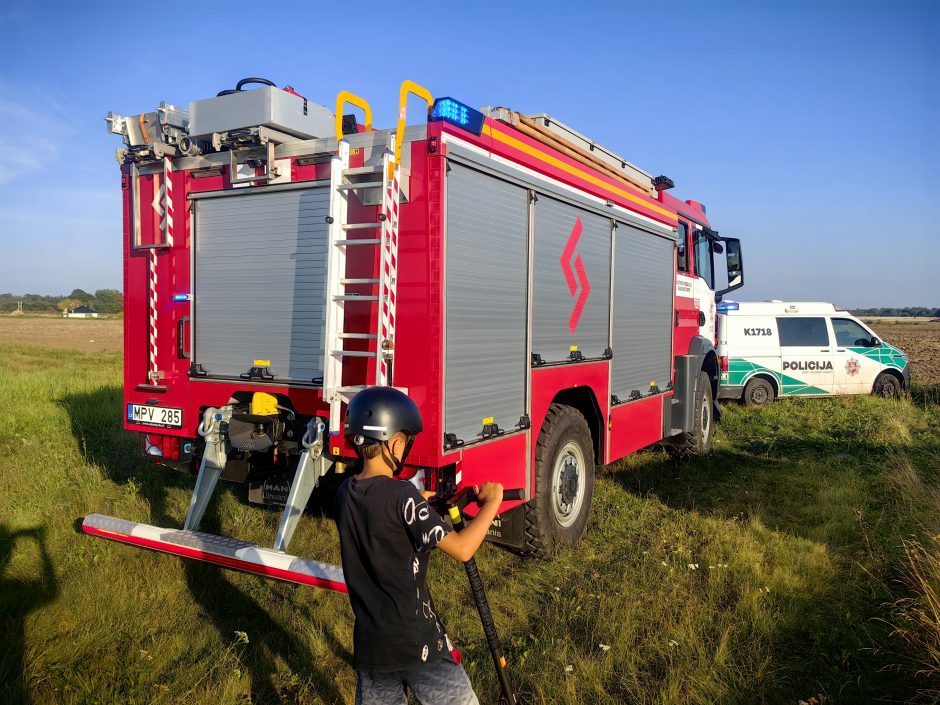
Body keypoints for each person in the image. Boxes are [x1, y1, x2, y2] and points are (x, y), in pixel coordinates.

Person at [335, 386, 504, 705]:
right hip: (419, 644)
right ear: (395, 444)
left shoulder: (345, 493)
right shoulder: (402, 498)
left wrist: (420, 503)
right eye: (406, 442)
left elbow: (383, 512)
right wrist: (491, 503)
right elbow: (463, 548)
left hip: (373, 647)